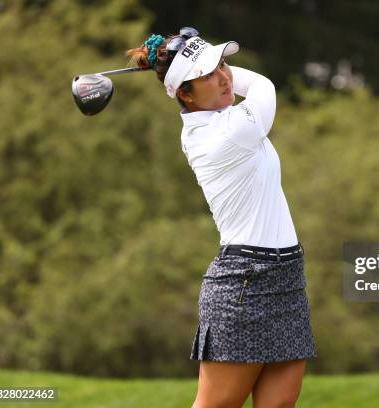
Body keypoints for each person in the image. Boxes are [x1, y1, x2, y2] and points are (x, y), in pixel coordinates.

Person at [126, 27, 317, 408]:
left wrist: (195, 63)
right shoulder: (229, 131)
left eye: (224, 65)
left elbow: (234, 85)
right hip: (245, 282)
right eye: (208, 74)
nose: (225, 77)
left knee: (279, 405)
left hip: (287, 276)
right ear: (184, 94)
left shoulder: (219, 119)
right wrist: (184, 62)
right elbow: (263, 85)